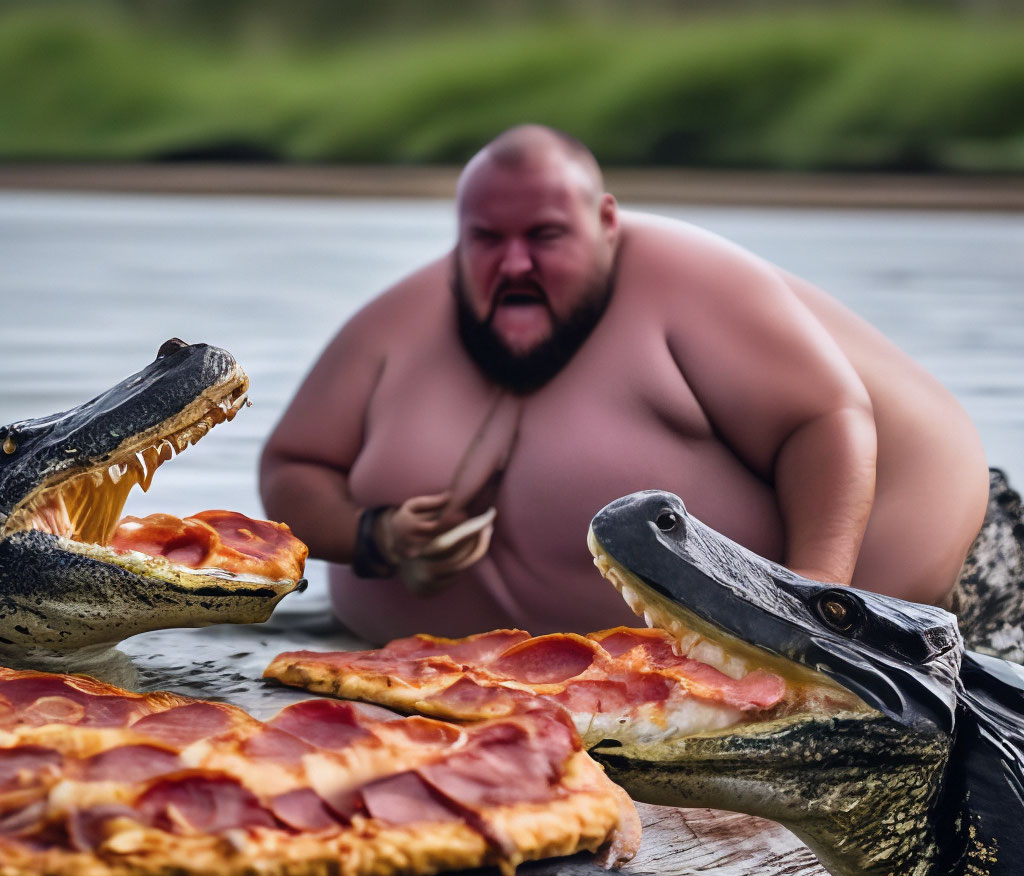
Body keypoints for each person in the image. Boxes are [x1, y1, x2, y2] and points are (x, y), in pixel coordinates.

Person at [261, 124, 992, 647]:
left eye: (545, 237)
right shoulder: (393, 328)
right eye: (487, 240)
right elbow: (293, 465)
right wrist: (374, 536)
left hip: (859, 611)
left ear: (605, 224)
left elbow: (825, 420)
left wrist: (806, 609)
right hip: (423, 682)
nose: (515, 265)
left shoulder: (690, 282)